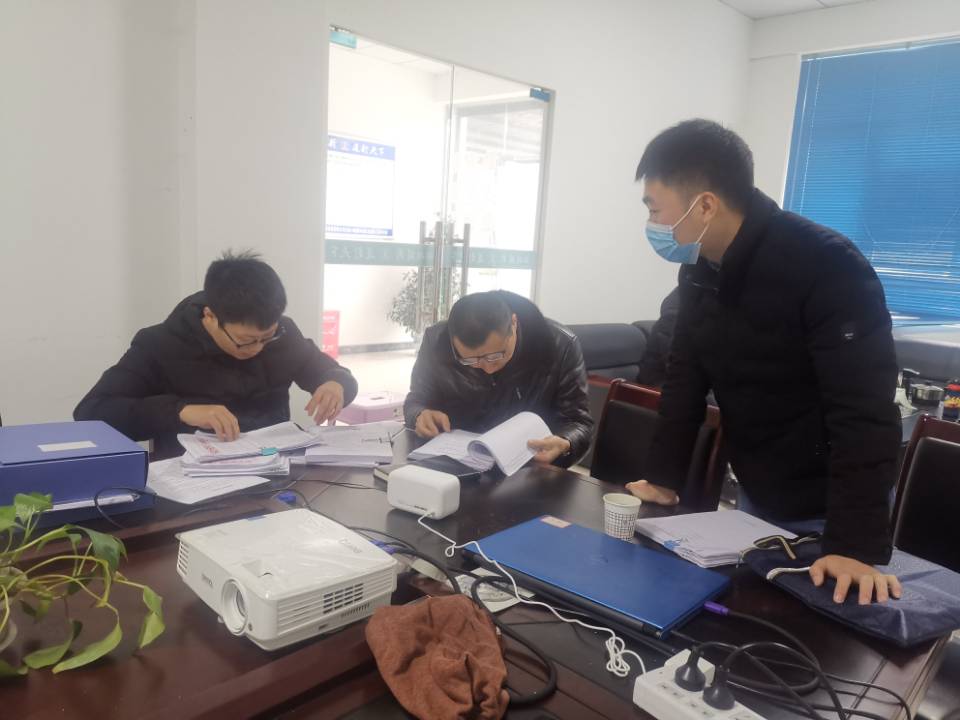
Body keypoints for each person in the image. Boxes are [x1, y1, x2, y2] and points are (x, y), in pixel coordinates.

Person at [628, 119, 902, 605]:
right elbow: (685, 377)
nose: (652, 223)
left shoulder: (826, 263)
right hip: (757, 487)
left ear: (705, 204)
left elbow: (863, 410)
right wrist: (663, 478)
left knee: (823, 629)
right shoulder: (699, 269)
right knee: (751, 613)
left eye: (654, 208)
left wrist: (853, 545)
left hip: (831, 504)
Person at [75, 251, 357, 455]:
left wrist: (336, 383)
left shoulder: (283, 333)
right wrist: (180, 411)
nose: (257, 348)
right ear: (210, 317)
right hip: (194, 483)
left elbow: (327, 370)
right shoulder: (160, 344)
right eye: (245, 341)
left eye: (266, 337)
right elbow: (92, 412)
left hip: (275, 468)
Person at [404, 290, 593, 467]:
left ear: (514, 324)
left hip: (527, 468)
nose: (487, 368)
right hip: (455, 463)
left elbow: (578, 423)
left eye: (495, 356)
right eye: (470, 360)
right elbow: (417, 399)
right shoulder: (436, 341)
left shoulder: (560, 346)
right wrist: (419, 414)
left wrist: (565, 442)